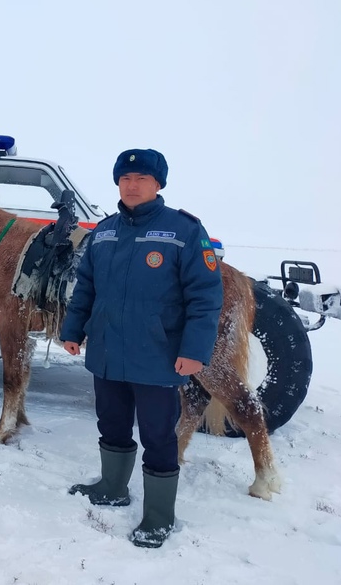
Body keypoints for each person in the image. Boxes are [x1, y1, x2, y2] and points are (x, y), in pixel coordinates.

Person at [60, 148, 223, 548]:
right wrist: (73, 329)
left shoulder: (184, 231)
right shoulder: (104, 231)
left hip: (158, 355)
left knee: (158, 436)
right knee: (111, 423)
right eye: (125, 179)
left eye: (141, 179)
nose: (132, 186)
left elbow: (205, 297)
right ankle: (113, 487)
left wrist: (195, 351)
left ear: (158, 184)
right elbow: (86, 288)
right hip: (107, 353)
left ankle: (158, 516)